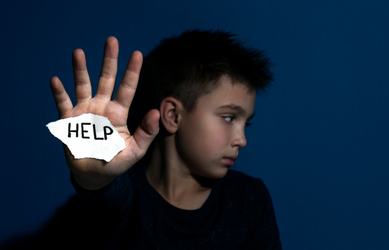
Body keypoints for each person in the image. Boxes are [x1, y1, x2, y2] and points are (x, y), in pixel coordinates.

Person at [46, 30, 281, 249]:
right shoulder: (127, 202)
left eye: (245, 123)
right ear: (173, 115)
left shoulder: (248, 200)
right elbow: (106, 199)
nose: (242, 140)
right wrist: (95, 177)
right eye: (229, 118)